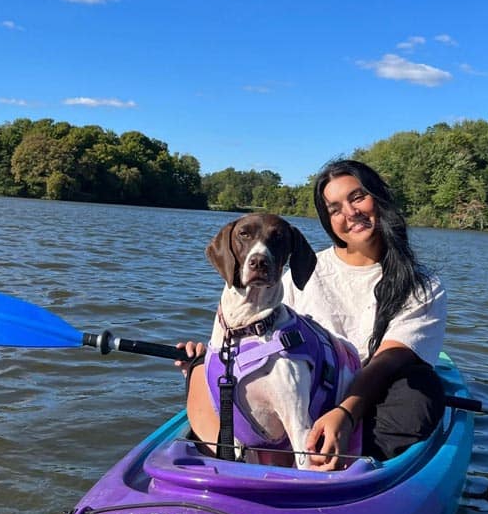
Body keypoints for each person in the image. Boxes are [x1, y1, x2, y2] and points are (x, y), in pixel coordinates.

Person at [177, 159, 447, 470]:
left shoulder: (422, 286)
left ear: (380, 198)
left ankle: (347, 467)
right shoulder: (296, 275)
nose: (349, 213)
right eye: (334, 209)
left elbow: (389, 361)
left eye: (358, 197)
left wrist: (344, 413)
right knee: (202, 366)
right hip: (305, 389)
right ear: (327, 220)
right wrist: (215, 357)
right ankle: (230, 463)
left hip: (369, 394)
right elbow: (261, 344)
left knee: (419, 389)